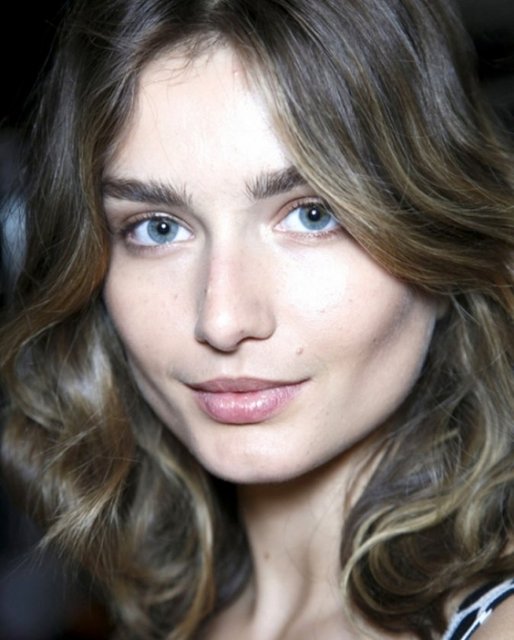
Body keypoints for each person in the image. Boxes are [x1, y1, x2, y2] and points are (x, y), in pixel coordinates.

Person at [1, 0, 513, 638]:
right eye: (158, 229)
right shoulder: (162, 619)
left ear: (439, 231)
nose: (222, 320)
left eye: (313, 215)